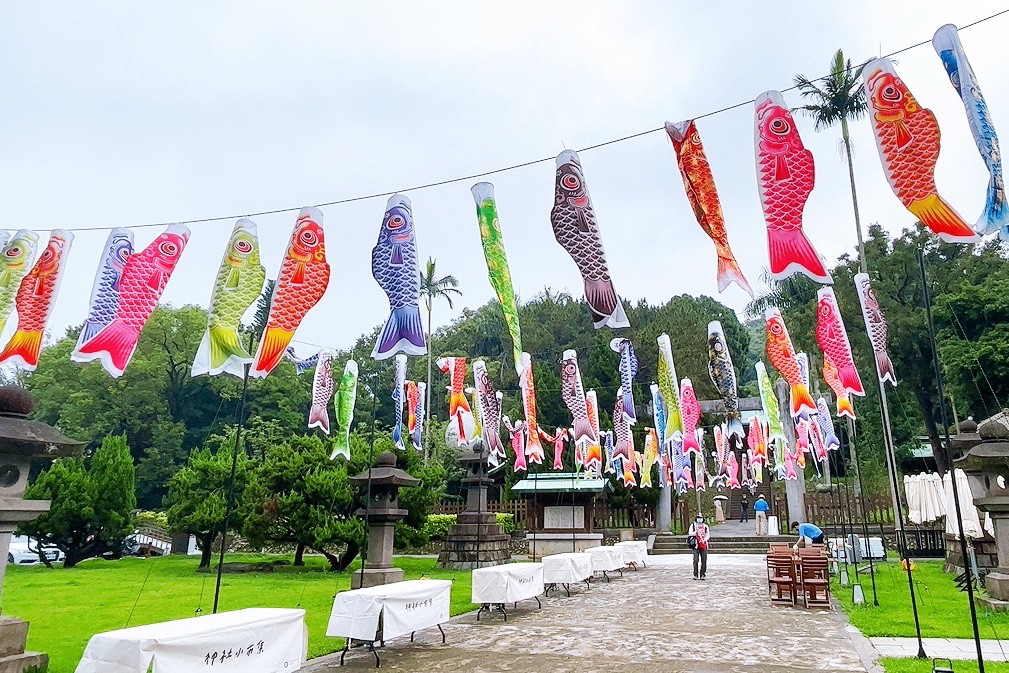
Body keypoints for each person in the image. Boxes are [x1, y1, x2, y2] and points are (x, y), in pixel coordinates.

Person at [687, 515, 710, 580]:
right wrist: (696, 533)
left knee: (704, 560)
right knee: (696, 559)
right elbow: (690, 533)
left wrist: (704, 539)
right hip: (696, 545)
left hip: (703, 545)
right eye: (698, 518)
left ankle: (703, 574)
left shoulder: (705, 526)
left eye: (701, 518)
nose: (699, 520)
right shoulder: (693, 526)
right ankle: (695, 574)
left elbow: (708, 534)